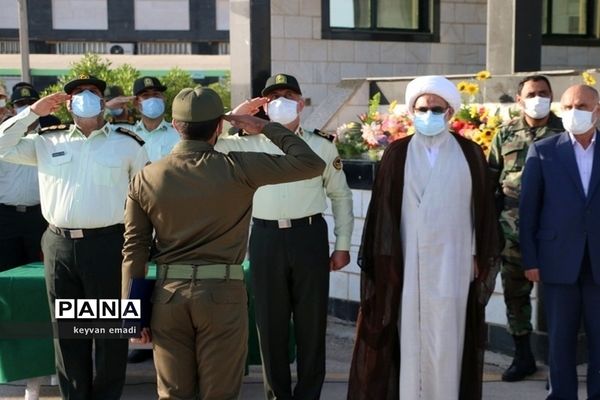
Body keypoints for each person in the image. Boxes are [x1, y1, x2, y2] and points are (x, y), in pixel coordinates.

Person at [121, 86, 325, 399]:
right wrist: (263, 126)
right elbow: (311, 163)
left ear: (175, 126)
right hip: (222, 296)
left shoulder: (147, 177)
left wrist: (131, 315)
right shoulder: (239, 167)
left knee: (173, 395)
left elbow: (133, 250)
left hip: (168, 297)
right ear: (220, 126)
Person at [347, 75, 500, 400]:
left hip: (454, 262)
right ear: (411, 111)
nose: (428, 114)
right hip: (408, 264)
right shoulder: (398, 154)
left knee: (448, 338)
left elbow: (483, 213)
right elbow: (383, 216)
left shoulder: (470, 154)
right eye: (422, 108)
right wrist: (386, 263)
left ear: (449, 112)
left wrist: (477, 256)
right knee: (409, 339)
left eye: (436, 108)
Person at [0, 75, 149, 400]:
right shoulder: (46, 141)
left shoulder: (127, 143)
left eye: (92, 92)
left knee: (109, 335)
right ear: (67, 104)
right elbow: (1, 145)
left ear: (102, 101)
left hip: (108, 245)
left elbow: (145, 196)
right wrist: (32, 113)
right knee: (68, 335)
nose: (85, 97)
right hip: (60, 246)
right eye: (78, 93)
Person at [215, 73, 354, 399]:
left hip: (309, 236)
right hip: (265, 238)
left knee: (311, 324)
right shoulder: (245, 143)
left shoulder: (320, 144)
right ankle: (276, 394)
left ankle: (308, 395)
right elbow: (211, 141)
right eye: (273, 96)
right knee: (269, 325)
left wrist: (343, 244)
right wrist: (237, 112)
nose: (281, 101)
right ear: (263, 104)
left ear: (301, 103)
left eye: (288, 95)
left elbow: (341, 196)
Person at [520, 84, 600, 400]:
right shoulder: (543, 150)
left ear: (597, 109)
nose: (572, 112)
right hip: (556, 262)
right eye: (566, 107)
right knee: (560, 341)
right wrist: (531, 259)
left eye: (580, 105)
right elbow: (528, 211)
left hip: (598, 263)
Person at [487, 75, 563, 382]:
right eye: (532, 93)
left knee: (561, 300)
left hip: (556, 233)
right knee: (515, 297)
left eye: (544, 93)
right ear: (520, 99)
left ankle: (559, 362)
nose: (538, 97)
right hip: (512, 232)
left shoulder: (565, 131)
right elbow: (491, 181)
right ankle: (523, 356)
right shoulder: (505, 134)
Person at [131, 76, 179, 162]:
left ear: (164, 98)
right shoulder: (128, 135)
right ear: (136, 103)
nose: (152, 99)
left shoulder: (178, 134)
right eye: (145, 96)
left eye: (156, 94)